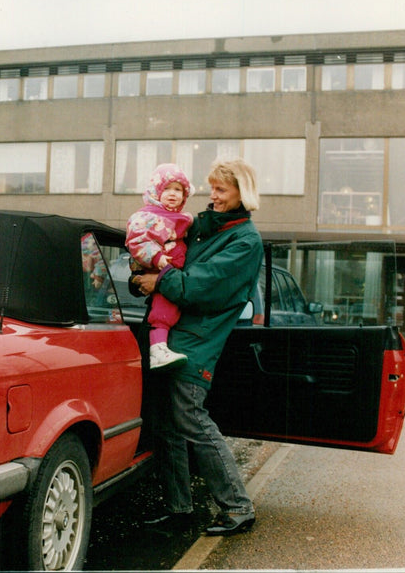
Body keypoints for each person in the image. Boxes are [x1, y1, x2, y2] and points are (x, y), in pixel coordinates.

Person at [133, 158, 263, 537]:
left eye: (221, 189)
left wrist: (159, 280)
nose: (213, 195)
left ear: (242, 192)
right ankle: (180, 509)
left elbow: (200, 287)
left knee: (190, 418)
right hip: (169, 336)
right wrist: (141, 274)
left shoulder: (245, 241)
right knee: (166, 423)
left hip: (197, 341)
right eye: (211, 188)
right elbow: (166, 254)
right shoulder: (203, 225)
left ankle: (238, 507)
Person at [126, 163, 195, 370]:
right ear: (156, 191)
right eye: (167, 188)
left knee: (168, 311)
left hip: (172, 276)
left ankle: (159, 348)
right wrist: (157, 258)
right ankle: (157, 349)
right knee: (163, 314)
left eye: (178, 190)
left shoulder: (183, 220)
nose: (173, 194)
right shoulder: (147, 217)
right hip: (162, 272)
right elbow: (137, 241)